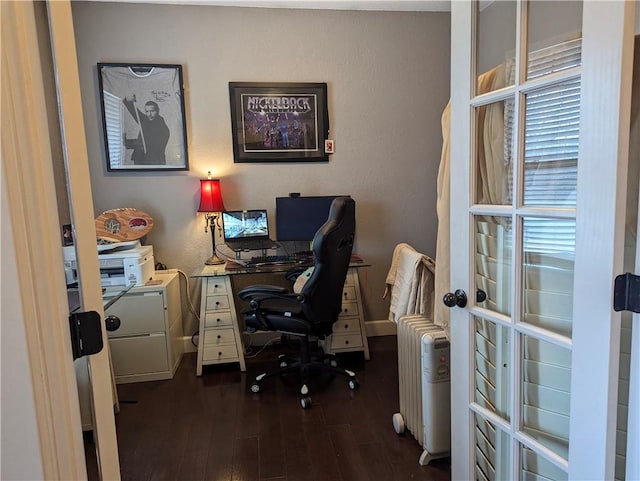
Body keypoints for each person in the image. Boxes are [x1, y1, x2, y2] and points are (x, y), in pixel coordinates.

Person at [123, 95, 170, 165]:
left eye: (152, 111)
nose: (149, 114)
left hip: (154, 161)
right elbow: (134, 111)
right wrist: (128, 99)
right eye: (147, 111)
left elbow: (150, 144)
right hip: (140, 159)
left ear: (158, 111)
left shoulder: (162, 128)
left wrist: (128, 143)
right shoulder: (146, 120)